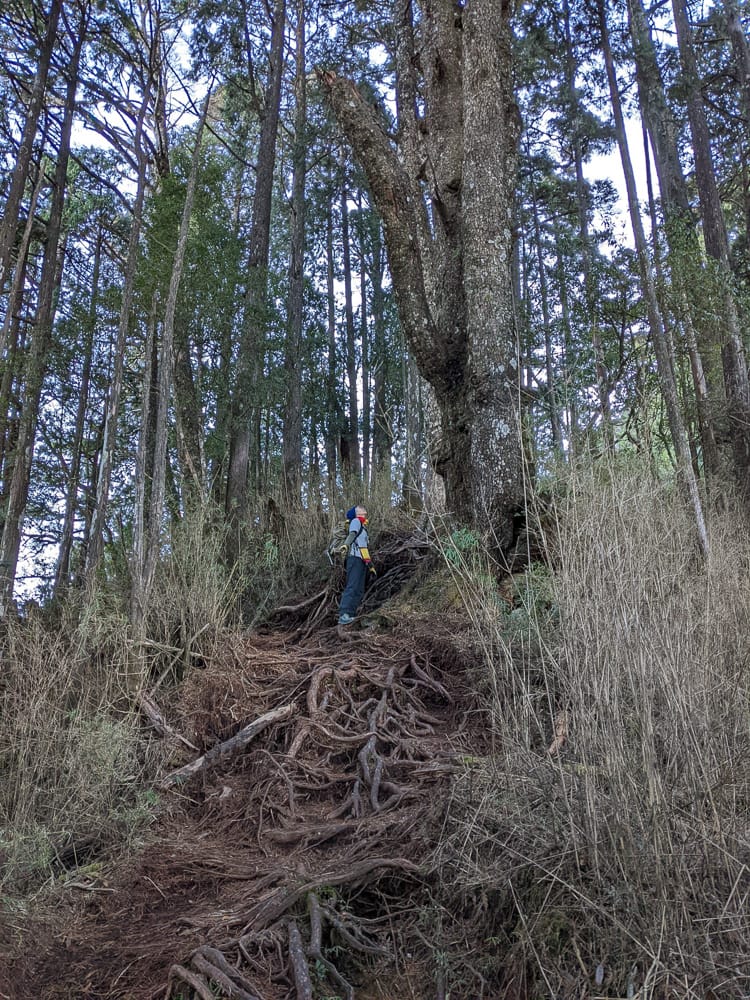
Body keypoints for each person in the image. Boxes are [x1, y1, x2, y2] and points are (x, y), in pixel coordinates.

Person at [337, 504, 376, 625]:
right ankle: (344, 614)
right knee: (352, 586)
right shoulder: (355, 521)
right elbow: (352, 534)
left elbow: (364, 548)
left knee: (359, 589)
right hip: (354, 559)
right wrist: (346, 545)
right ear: (356, 513)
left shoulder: (363, 527)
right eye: (360, 509)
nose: (364, 510)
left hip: (361, 561)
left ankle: (351, 615)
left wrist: (370, 565)